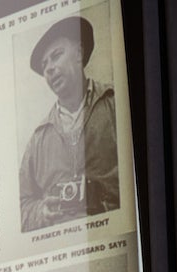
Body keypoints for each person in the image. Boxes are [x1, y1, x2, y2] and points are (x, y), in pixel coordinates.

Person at [19, 15, 119, 232]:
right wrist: (41, 212)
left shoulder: (116, 103)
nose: (49, 69)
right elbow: (21, 206)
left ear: (80, 53)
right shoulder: (38, 138)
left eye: (56, 56)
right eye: (44, 65)